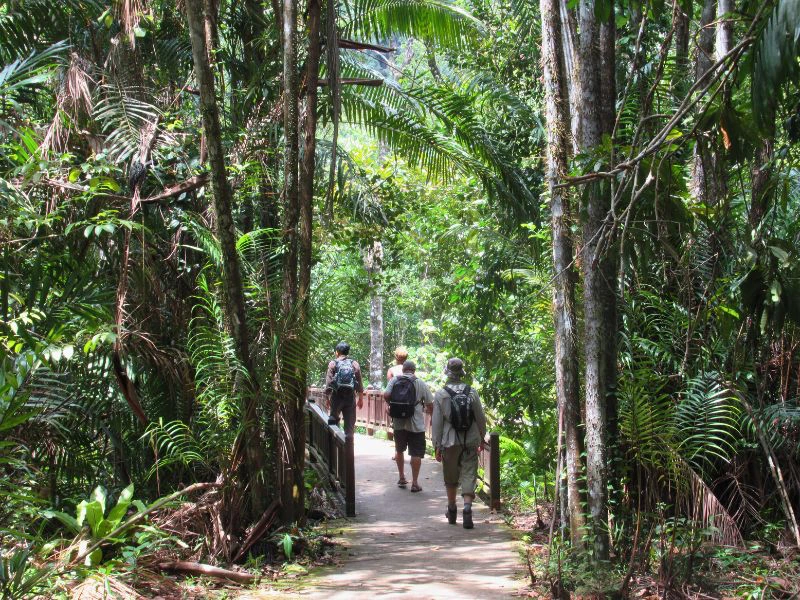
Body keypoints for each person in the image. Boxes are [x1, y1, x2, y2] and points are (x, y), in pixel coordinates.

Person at [432, 357, 487, 529]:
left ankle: (452, 508)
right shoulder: (472, 392)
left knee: (450, 477)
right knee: (469, 472)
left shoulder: (441, 394)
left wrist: (437, 445)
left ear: (447, 373)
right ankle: (468, 508)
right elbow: (480, 418)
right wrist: (481, 436)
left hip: (449, 441)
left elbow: (437, 423)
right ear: (462, 372)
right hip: (470, 439)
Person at [384, 360, 433, 492]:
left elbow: (386, 394)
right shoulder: (420, 382)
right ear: (414, 370)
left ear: (404, 370)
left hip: (399, 422)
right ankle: (415, 483)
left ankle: (401, 477)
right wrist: (433, 417)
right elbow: (429, 402)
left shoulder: (395, 380)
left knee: (399, 450)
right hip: (416, 423)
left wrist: (391, 404)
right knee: (416, 453)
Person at [325, 342, 364, 438]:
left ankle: (335, 448)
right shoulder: (354, 364)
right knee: (349, 426)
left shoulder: (333, 363)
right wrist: (361, 399)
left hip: (336, 397)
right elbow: (359, 382)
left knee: (334, 422)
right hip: (350, 397)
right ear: (347, 352)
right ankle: (349, 449)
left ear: (337, 352)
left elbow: (329, 383)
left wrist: (327, 398)